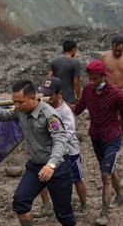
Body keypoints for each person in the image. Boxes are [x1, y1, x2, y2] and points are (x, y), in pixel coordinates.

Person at [0, 80, 77, 226]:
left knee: (63, 213)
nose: (16, 105)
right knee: (20, 202)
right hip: (36, 165)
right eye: (14, 101)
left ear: (33, 98)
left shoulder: (49, 115)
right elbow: (4, 116)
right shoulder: (20, 111)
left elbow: (61, 141)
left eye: (20, 102)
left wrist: (51, 165)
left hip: (58, 167)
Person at [73, 60, 123, 226]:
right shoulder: (88, 90)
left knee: (105, 174)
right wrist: (59, 103)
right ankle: (120, 194)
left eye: (96, 78)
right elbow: (77, 109)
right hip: (96, 137)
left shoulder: (116, 94)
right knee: (109, 170)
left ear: (104, 76)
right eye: (90, 78)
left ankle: (104, 213)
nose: (92, 82)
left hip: (112, 138)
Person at [33, 77, 88, 218]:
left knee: (76, 179)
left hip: (69, 152)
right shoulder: (43, 107)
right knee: (41, 177)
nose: (46, 98)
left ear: (58, 94)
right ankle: (46, 206)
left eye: (49, 95)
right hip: (50, 152)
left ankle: (83, 205)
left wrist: (56, 143)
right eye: (44, 94)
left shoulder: (65, 111)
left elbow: (69, 133)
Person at [46, 39, 82, 104]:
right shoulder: (75, 63)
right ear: (73, 49)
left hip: (57, 98)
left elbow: (49, 78)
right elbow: (76, 82)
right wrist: (78, 96)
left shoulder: (55, 62)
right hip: (69, 98)